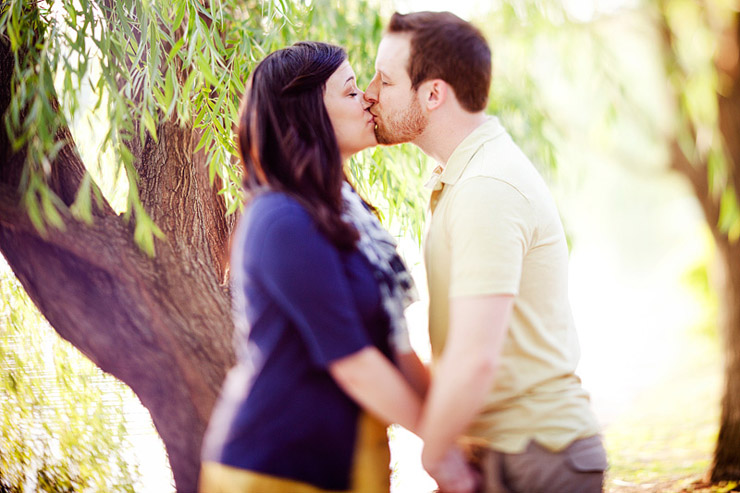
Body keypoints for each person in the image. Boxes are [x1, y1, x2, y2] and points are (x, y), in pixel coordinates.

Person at [199, 41, 477, 493]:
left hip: (351, 459)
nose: (368, 98)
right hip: (277, 469)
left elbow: (395, 346)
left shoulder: (351, 213)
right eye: (350, 92)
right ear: (307, 114)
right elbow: (354, 364)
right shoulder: (281, 219)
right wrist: (442, 451)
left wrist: (459, 437)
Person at [364, 11, 608, 493]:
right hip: (507, 449)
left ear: (433, 93)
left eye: (385, 80)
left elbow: (476, 358)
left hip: (537, 457)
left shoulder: (486, 187)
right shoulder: (466, 178)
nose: (370, 92)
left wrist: (433, 454)